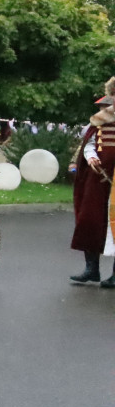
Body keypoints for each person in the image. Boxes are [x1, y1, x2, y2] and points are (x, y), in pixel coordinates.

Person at [70, 77, 115, 287]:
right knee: (90, 220)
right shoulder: (97, 122)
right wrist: (91, 158)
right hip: (97, 179)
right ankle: (91, 269)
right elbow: (88, 144)